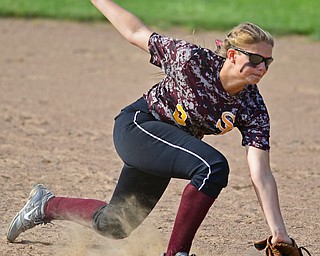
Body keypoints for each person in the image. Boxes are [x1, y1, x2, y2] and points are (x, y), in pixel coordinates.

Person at [6, 1, 310, 256]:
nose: (262, 68)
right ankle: (177, 253)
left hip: (168, 146)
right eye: (255, 59)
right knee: (213, 166)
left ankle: (45, 204)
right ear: (232, 55)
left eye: (268, 62)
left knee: (115, 224)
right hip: (139, 126)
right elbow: (136, 31)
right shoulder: (191, 60)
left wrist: (278, 231)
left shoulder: (252, 106)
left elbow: (261, 173)